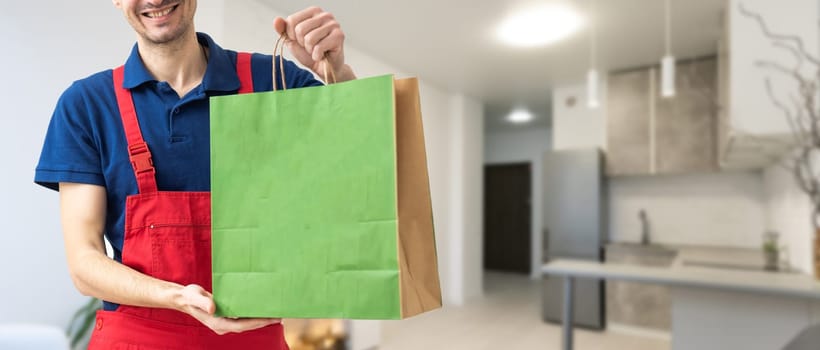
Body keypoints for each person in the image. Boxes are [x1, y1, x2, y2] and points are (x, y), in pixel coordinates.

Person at [34, 1, 356, 348]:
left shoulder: (274, 82)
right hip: (135, 341)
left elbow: (364, 161)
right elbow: (85, 263)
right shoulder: (87, 104)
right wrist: (178, 298)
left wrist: (336, 71)